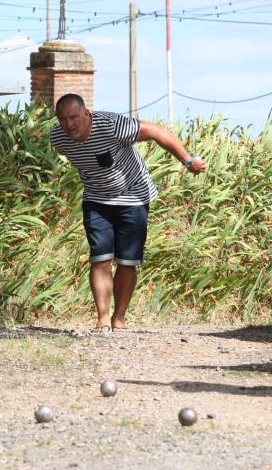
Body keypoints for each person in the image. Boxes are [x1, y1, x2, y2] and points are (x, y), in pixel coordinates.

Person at [50, 94, 206, 334]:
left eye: (73, 117)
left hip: (133, 196)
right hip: (96, 198)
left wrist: (187, 161)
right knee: (99, 257)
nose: (68, 124)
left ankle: (118, 319)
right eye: (62, 119)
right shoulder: (58, 138)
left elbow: (157, 131)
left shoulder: (113, 126)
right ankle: (102, 320)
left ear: (86, 114)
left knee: (127, 261)